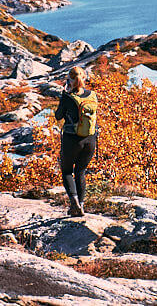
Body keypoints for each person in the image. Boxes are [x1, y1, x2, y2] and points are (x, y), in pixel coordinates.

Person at [54, 66, 98, 217]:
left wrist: (63, 95)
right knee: (80, 172)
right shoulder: (93, 95)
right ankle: (82, 205)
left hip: (72, 139)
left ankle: (75, 204)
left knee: (67, 171)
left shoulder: (67, 97)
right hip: (90, 140)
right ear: (84, 78)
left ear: (70, 81)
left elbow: (58, 116)